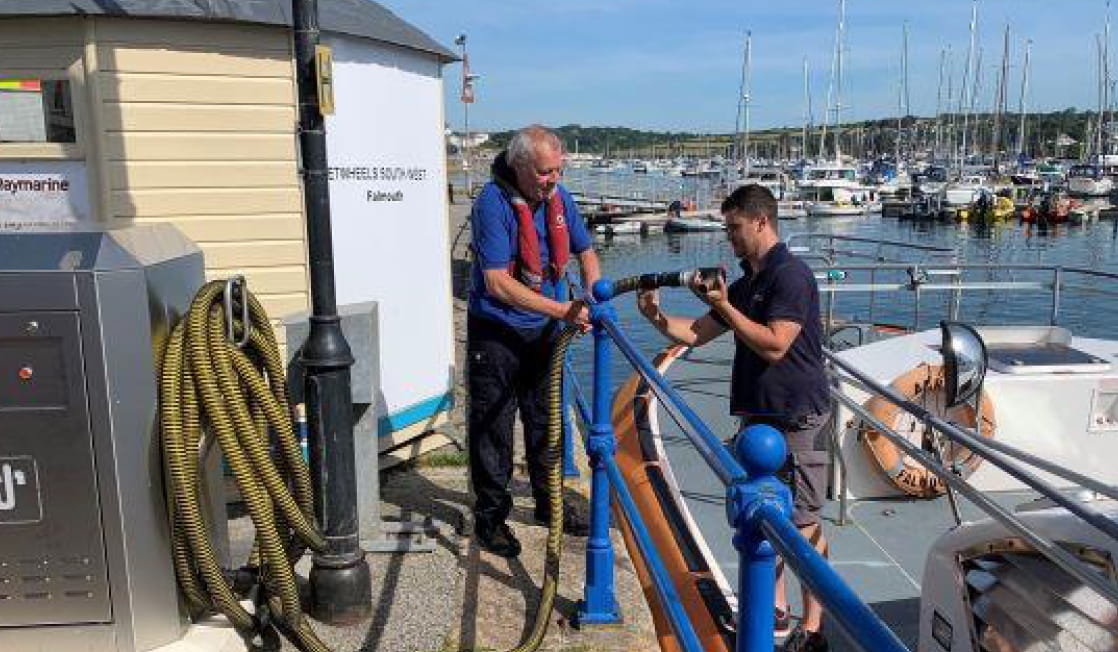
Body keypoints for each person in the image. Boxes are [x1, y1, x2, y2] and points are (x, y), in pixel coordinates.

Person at [635, 184, 832, 652]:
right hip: (758, 418)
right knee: (765, 516)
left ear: (761, 221)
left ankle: (816, 629)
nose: (730, 237)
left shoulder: (791, 276)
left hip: (798, 415)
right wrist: (655, 316)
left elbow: (776, 343)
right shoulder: (747, 283)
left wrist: (724, 305)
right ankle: (775, 610)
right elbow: (697, 334)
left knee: (802, 524)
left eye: (734, 227)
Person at [467, 125, 600, 558]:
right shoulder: (493, 203)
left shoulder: (559, 198)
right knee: (495, 427)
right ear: (521, 166)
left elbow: (586, 250)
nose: (553, 180)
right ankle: (490, 518)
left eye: (558, 171)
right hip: (498, 331)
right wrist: (564, 311)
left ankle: (549, 505)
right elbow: (497, 283)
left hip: (543, 331)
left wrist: (592, 295)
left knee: (546, 423)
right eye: (545, 173)